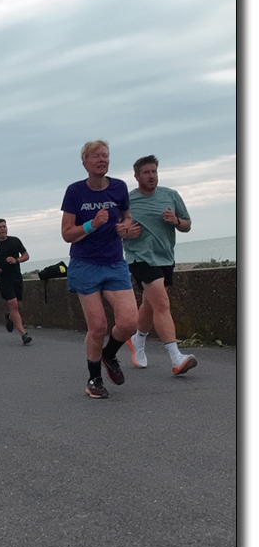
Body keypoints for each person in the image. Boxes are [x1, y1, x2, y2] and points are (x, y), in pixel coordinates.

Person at [61, 139, 139, 398]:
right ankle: (94, 380)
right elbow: (66, 234)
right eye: (96, 156)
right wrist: (91, 225)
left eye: (105, 155)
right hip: (85, 265)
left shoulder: (118, 187)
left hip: (115, 263)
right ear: (85, 163)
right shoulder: (75, 192)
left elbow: (126, 216)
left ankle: (109, 354)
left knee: (129, 322)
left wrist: (125, 227)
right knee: (98, 327)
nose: (102, 159)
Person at [122, 155, 198, 375]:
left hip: (165, 257)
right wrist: (125, 233)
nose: (151, 176)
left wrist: (176, 221)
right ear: (136, 176)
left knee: (150, 304)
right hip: (140, 257)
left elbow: (187, 225)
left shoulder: (170, 195)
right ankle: (176, 358)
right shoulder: (127, 201)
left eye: (154, 171)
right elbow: (115, 229)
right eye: (146, 172)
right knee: (162, 304)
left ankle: (137, 340)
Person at [0, 219, 32, 346]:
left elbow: (26, 255)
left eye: (4, 226)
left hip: (16, 277)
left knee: (17, 306)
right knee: (13, 303)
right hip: (3, 279)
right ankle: (23, 334)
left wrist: (17, 260)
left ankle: (10, 317)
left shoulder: (15, 241)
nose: (2, 229)